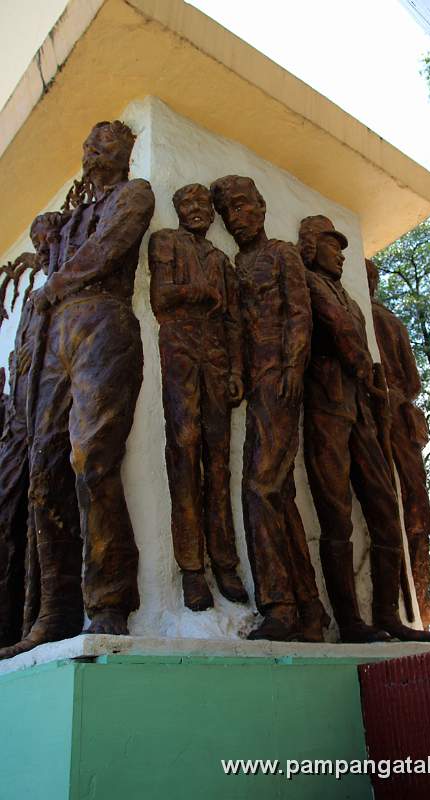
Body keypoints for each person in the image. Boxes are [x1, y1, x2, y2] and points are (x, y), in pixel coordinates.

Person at [0, 120, 155, 660]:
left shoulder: (134, 194)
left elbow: (114, 243)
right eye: (88, 142)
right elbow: (47, 256)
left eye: (106, 142)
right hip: (52, 337)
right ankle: (55, 610)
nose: (93, 149)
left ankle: (109, 599)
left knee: (91, 457)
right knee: (44, 468)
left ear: (127, 152)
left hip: (101, 324)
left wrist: (59, 283)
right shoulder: (67, 221)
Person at [298, 215, 430, 642]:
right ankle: (350, 621)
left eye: (343, 248)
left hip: (360, 409)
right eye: (331, 245)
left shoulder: (354, 301)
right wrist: (365, 369)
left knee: (384, 507)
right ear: (310, 247)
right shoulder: (309, 284)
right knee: (336, 514)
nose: (340, 254)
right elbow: (341, 335)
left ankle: (387, 616)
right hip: (327, 407)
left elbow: (360, 342)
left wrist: (375, 387)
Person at [211, 175, 328, 641]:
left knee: (258, 489)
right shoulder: (239, 264)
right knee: (276, 494)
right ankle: (310, 610)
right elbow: (237, 326)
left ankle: (280, 606)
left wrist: (292, 371)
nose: (237, 218)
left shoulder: (282, 254)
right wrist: (238, 372)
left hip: (281, 380)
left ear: (260, 207)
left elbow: (301, 314)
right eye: (229, 213)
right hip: (257, 385)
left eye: (243, 206)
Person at [149, 183, 248, 610]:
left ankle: (224, 561)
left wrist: (237, 370)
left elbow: (232, 320)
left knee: (220, 457)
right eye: (187, 204)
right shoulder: (165, 241)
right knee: (185, 448)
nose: (195, 210)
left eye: (202, 205)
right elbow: (161, 297)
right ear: (178, 210)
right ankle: (192, 568)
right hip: (181, 350)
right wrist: (197, 294)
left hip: (217, 358)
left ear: (211, 213)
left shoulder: (221, 261)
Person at [0, 213, 69, 649]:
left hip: (49, 415)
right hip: (19, 418)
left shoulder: (69, 292)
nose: (45, 251)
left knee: (49, 496)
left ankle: (50, 612)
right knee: (8, 510)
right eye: (39, 245)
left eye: (50, 242)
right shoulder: (34, 299)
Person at [366, 259, 430, 627]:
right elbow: (413, 381)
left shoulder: (383, 320)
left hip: (390, 415)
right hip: (385, 414)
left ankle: (418, 604)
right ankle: (415, 606)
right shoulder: (383, 318)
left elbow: (411, 380)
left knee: (408, 508)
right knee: (406, 507)